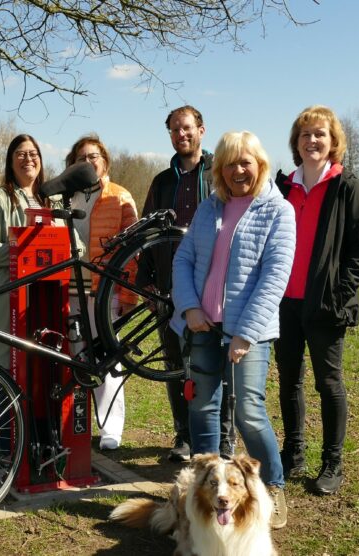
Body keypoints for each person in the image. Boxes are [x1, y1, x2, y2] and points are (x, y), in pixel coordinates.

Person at [170, 130, 295, 530]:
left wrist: (246, 333)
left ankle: (271, 487)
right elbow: (183, 260)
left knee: (249, 412)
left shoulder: (279, 211)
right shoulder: (211, 207)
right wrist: (189, 307)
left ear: (259, 164)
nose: (239, 170)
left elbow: (275, 278)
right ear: (219, 169)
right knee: (202, 405)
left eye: (246, 162)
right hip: (203, 323)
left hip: (248, 330)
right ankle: (205, 488)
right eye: (230, 163)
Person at [274, 105, 359, 496]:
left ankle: (332, 462)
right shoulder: (284, 187)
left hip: (325, 306)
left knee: (329, 384)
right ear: (296, 143)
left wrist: (338, 294)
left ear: (334, 142)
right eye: (305, 135)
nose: (312, 141)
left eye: (320, 134)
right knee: (288, 382)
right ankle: (292, 452)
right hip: (284, 303)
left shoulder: (348, 187)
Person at [139, 105, 233, 463]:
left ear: (202, 130)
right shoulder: (162, 182)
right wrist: (146, 281)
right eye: (175, 130)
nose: (182, 134)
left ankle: (222, 439)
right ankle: (184, 436)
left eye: (187, 128)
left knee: (214, 366)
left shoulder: (220, 173)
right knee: (176, 365)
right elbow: (147, 232)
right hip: (169, 286)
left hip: (212, 286)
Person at [63, 135, 138, 451]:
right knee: (77, 355)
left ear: (104, 160)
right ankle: (74, 424)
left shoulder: (120, 197)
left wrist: (128, 297)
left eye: (93, 156)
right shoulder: (68, 198)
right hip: (69, 289)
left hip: (104, 292)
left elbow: (134, 252)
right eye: (81, 157)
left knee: (107, 359)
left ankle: (110, 429)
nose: (88, 161)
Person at [0, 134, 50, 370]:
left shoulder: (52, 200)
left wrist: (57, 240)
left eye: (33, 153)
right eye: (21, 154)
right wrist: (28, 249)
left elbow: (77, 245)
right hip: (6, 299)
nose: (28, 159)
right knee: (9, 373)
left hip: (46, 298)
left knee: (40, 372)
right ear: (10, 161)